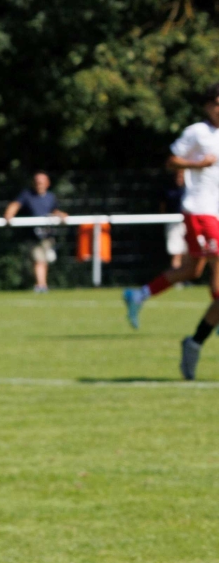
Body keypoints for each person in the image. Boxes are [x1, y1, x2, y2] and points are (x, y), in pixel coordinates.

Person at [124, 82, 219, 381]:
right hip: (201, 212)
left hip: (217, 213)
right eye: (217, 103)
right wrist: (197, 164)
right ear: (207, 106)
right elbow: (171, 161)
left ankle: (190, 340)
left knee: (193, 270)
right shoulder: (197, 132)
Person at [2, 171, 67, 294]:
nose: (39, 185)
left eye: (41, 182)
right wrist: (9, 214)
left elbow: (54, 210)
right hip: (32, 235)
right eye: (37, 182)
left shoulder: (50, 197)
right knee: (38, 259)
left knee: (44, 260)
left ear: (47, 183)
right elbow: (15, 205)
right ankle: (41, 285)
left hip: (47, 235)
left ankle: (42, 284)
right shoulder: (27, 195)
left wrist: (60, 214)